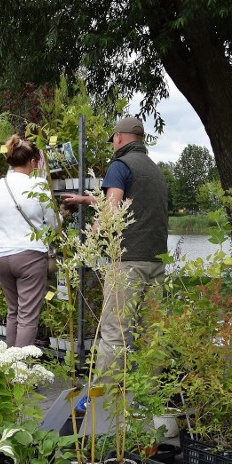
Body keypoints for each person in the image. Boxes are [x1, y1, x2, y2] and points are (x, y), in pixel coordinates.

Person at [60, 116, 168, 381]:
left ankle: (103, 399)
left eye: (113, 141)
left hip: (127, 263)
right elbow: (131, 203)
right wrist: (86, 199)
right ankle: (148, 396)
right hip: (156, 261)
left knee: (114, 333)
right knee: (151, 333)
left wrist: (87, 243)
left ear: (118, 138)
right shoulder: (155, 170)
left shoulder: (119, 165)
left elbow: (112, 209)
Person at [0, 134, 57, 347]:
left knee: (13, 311)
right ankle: (19, 374)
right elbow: (53, 225)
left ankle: (8, 368)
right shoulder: (40, 185)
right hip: (30, 256)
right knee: (27, 316)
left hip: (1, 257)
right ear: (33, 162)